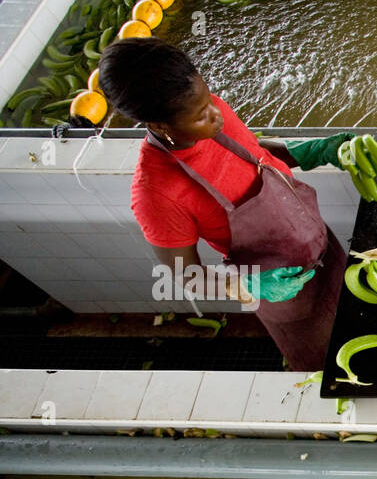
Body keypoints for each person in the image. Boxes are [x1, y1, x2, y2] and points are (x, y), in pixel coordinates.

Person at [98, 38, 354, 371]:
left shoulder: (211, 111)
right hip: (281, 289)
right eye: (201, 115)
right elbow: (187, 275)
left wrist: (311, 151)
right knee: (326, 360)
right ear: (160, 125)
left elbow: (252, 152)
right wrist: (250, 285)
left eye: (209, 99)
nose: (216, 114)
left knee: (354, 313)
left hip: (322, 246)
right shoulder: (156, 193)